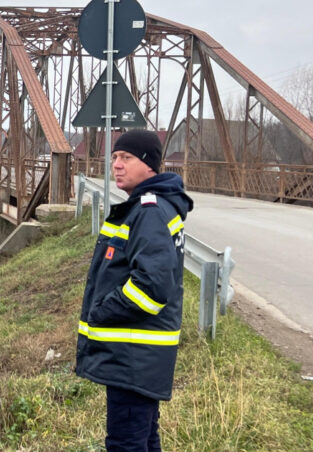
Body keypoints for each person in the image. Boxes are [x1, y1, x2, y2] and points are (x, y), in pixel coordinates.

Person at [75, 129, 193, 451]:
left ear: (150, 165)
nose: (117, 165)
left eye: (126, 157)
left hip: (133, 356)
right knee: (143, 439)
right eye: (114, 157)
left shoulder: (149, 212)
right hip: (138, 356)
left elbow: (153, 287)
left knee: (126, 443)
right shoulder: (146, 207)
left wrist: (102, 311)